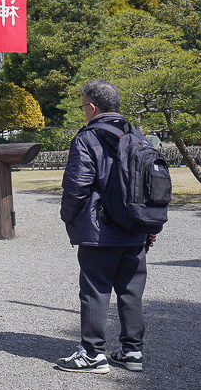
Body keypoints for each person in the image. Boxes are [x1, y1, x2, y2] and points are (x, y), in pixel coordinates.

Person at [56, 79, 157, 374]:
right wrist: (150, 225)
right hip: (136, 227)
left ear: (92, 106)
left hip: (99, 229)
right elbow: (152, 186)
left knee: (95, 289)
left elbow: (77, 186)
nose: (83, 110)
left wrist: (69, 218)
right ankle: (131, 352)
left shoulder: (88, 138)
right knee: (130, 291)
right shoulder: (138, 136)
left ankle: (92, 354)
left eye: (83, 105)